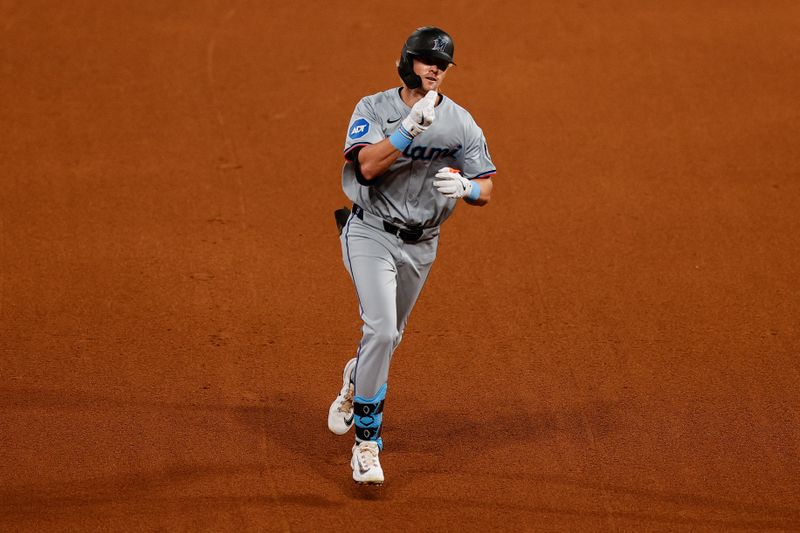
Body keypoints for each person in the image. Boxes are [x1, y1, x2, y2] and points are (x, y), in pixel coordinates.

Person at [328, 26, 496, 485]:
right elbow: (365, 167)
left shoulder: (461, 122)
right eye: (427, 60)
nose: (436, 69)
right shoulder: (373, 108)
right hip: (371, 233)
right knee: (380, 330)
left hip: (422, 244)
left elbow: (488, 187)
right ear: (407, 62)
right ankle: (367, 441)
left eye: (442, 64)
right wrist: (405, 132)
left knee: (390, 337)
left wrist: (466, 188)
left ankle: (355, 380)